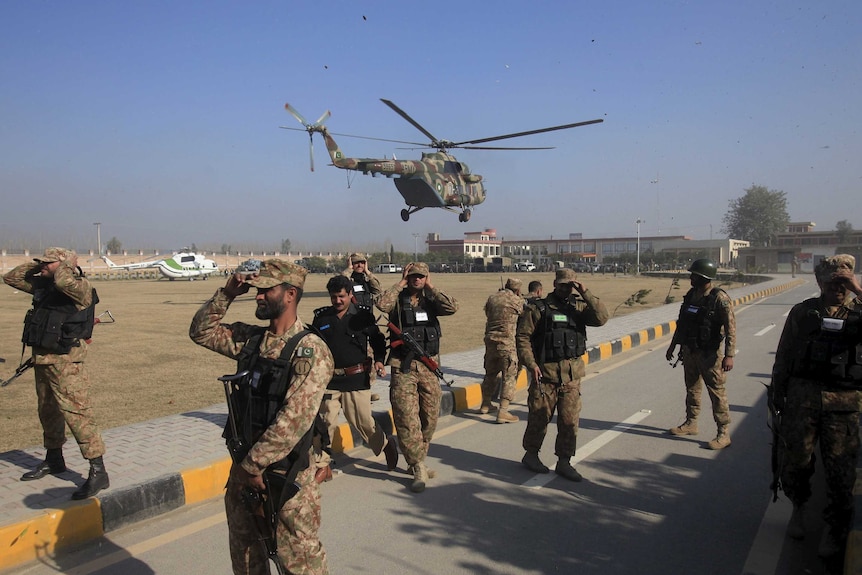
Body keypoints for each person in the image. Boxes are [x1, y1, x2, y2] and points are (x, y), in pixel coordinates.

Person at [189, 259, 334, 575]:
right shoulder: (251, 341)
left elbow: (293, 419)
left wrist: (251, 467)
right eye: (256, 290)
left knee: (301, 564)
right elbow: (200, 331)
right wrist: (227, 293)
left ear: (290, 294)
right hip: (245, 473)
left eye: (265, 290)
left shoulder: (309, 350)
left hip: (288, 478)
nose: (257, 296)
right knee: (246, 560)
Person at [771, 254, 862, 557]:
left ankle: (835, 530)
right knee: (796, 462)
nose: (838, 287)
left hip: (845, 404)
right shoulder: (803, 312)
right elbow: (784, 354)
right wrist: (778, 394)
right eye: (832, 281)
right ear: (819, 282)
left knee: (840, 471)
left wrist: (859, 289)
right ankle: (798, 506)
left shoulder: (860, 311)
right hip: (803, 399)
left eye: (844, 282)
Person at [3, 247, 109, 500]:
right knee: (47, 411)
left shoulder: (80, 287)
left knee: (77, 414)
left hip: (66, 361)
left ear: (64, 265)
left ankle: (98, 470)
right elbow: (11, 278)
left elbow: (63, 280)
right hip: (43, 359)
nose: (43, 266)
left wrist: (65, 265)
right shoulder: (45, 287)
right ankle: (54, 459)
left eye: (48, 263)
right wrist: (39, 265)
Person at [516, 268, 608, 481]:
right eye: (563, 284)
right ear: (554, 283)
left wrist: (586, 292)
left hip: (571, 377)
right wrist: (531, 364)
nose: (566, 289)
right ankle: (531, 455)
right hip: (545, 375)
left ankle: (564, 461)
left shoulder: (578, 307)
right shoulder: (538, 308)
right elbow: (523, 338)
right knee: (539, 418)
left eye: (570, 285)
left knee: (569, 421)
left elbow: (602, 318)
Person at [376, 262, 458, 492]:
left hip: (429, 365)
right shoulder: (397, 299)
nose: (416, 280)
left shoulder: (431, 299)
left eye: (421, 276)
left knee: (430, 416)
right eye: (413, 276)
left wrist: (432, 286)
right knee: (405, 415)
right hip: (402, 366)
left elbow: (452, 307)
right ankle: (417, 464)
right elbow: (381, 304)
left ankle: (417, 455)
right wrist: (400, 282)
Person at [312, 275, 398, 481]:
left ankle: (385, 445)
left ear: (350, 294)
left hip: (356, 378)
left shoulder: (362, 316)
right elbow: (314, 344)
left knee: (363, 423)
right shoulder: (322, 318)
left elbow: (377, 339)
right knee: (324, 423)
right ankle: (322, 466)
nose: (337, 301)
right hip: (330, 380)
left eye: (341, 296)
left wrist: (378, 360)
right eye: (333, 297)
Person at [665, 258, 736, 450]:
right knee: (692, 388)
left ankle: (723, 433)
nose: (691, 278)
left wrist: (729, 355)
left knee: (717, 393)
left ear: (704, 277)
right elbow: (682, 325)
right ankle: (691, 423)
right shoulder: (691, 296)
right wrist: (673, 346)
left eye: (694, 275)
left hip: (710, 355)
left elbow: (730, 328)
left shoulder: (719, 298)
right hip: (689, 351)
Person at [478, 278, 525, 423]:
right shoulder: (517, 300)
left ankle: (485, 404)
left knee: (490, 373)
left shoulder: (492, 298)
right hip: (507, 344)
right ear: (517, 290)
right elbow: (523, 313)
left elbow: (487, 312)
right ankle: (503, 411)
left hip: (490, 341)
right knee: (509, 376)